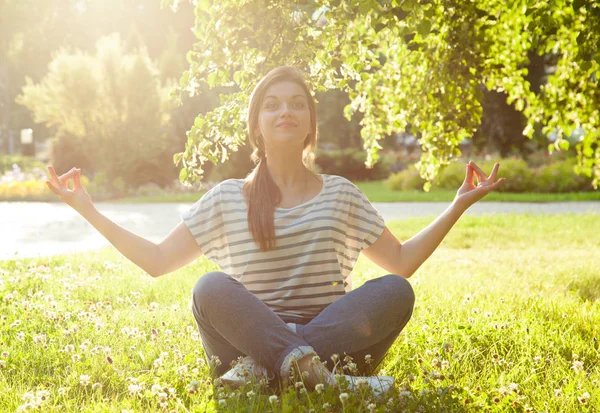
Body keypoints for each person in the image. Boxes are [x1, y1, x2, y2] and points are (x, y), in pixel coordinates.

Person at [45, 66, 504, 398]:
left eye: (297, 104)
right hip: (242, 350)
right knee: (208, 287)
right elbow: (157, 261)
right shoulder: (228, 197)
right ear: (257, 125)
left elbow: (402, 261)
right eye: (273, 104)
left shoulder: (340, 194)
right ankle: (315, 374)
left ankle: (281, 369)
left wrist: (457, 204)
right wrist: (88, 209)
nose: (286, 110)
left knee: (396, 290)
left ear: (309, 125)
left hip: (322, 349)